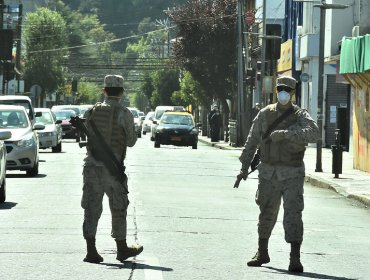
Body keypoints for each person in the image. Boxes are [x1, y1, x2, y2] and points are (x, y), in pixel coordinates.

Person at [235, 76, 320, 273]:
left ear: (292, 93)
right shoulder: (265, 114)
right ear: (276, 91)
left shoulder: (300, 115)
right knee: (266, 213)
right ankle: (262, 252)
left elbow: (314, 133)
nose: (283, 93)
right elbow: (252, 140)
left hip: (292, 173)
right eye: (280, 89)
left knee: (293, 215)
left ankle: (294, 258)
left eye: (287, 90)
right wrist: (243, 168)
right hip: (268, 173)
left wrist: (287, 133)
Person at [82, 74, 143, 263]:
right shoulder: (124, 113)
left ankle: (91, 250)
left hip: (92, 166)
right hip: (113, 169)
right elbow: (131, 142)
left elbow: (86, 134)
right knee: (118, 207)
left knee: (91, 207)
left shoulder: (91, 111)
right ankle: (121, 248)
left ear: (104, 91)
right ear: (122, 92)